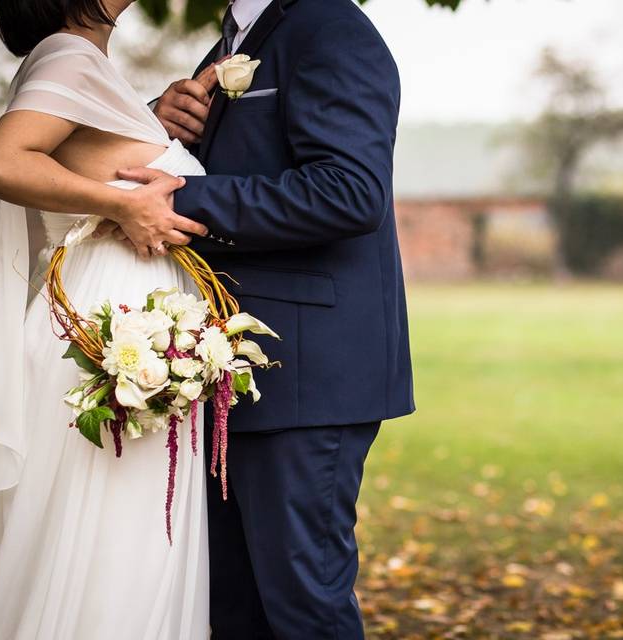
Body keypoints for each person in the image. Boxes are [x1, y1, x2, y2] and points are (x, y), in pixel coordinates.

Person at [125, 0, 415, 636]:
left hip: (308, 373)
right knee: (232, 608)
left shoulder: (331, 27)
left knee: (302, 609)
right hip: (230, 368)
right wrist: (165, 130)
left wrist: (184, 198)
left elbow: (350, 190)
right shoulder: (234, 37)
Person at [0, 1, 214, 637]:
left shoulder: (82, 63)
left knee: (118, 528)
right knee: (112, 531)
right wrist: (122, 202)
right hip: (113, 328)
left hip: (120, 311)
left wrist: (144, 120)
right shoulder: (70, 54)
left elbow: (85, 153)